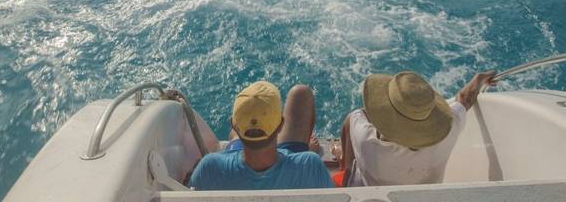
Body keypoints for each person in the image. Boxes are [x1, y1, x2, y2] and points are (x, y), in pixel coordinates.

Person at [336, 70, 496, 186]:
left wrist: (346, 164)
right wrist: (479, 80)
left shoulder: (367, 141)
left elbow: (352, 118)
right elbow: (464, 99)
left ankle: (343, 166)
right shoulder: (449, 132)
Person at [189, 81, 335, 190]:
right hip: (292, 166)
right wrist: (308, 153)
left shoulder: (209, 168)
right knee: (301, 93)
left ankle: (238, 133)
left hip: (234, 161)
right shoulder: (310, 165)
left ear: (233, 123)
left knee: (234, 137)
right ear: (281, 125)